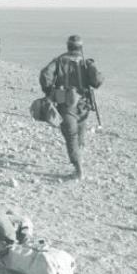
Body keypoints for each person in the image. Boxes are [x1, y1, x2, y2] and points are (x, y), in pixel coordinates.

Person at [39, 35, 103, 180]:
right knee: (80, 133)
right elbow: (98, 81)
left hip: (66, 104)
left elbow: (45, 75)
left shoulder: (59, 61)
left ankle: (78, 168)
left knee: (71, 136)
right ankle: (79, 158)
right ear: (80, 48)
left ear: (68, 46)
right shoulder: (86, 63)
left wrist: (49, 92)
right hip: (84, 105)